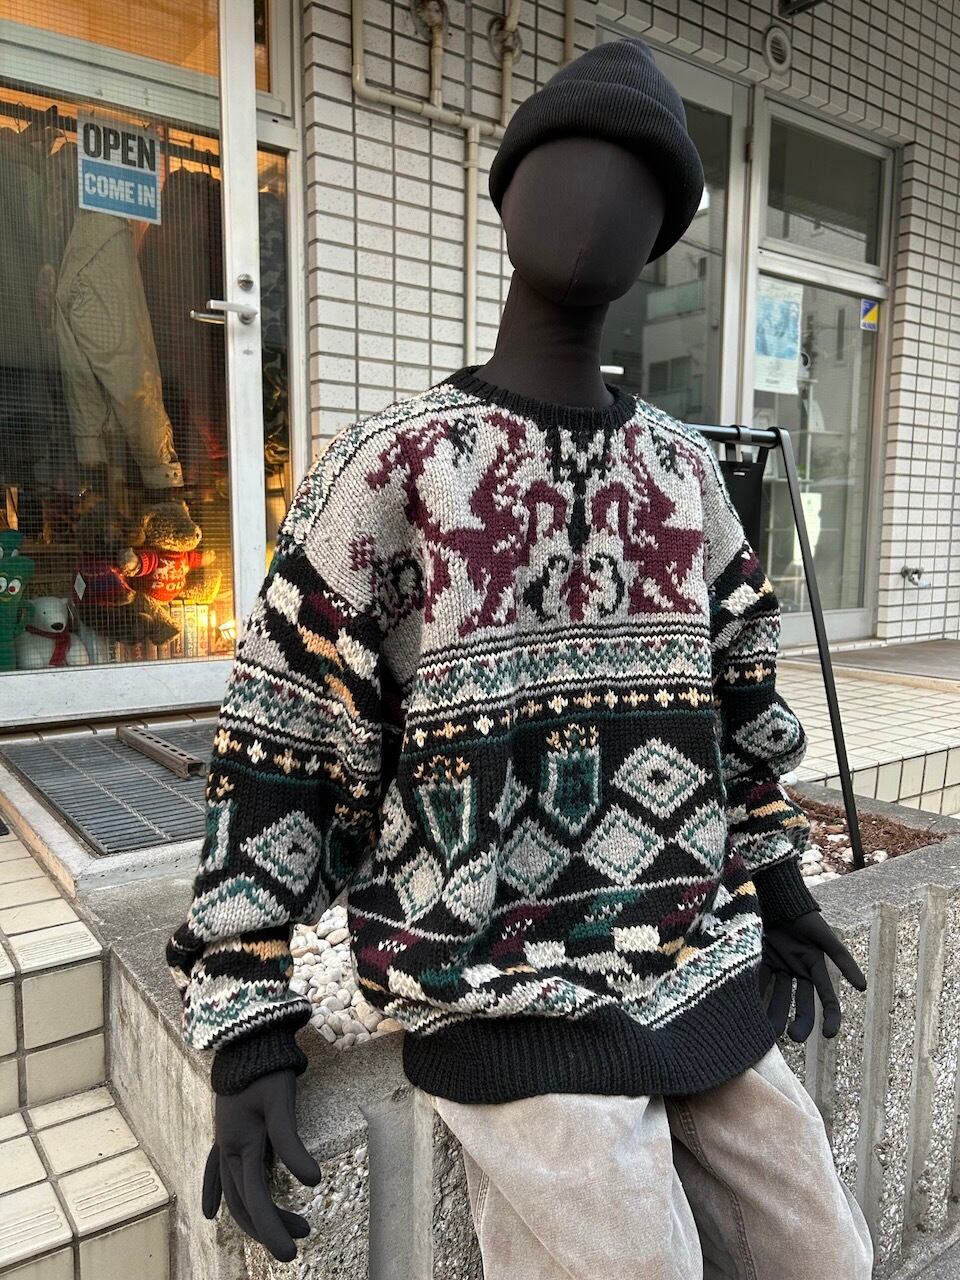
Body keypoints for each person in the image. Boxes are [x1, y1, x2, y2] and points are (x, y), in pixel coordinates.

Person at [167, 36, 873, 1277]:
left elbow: (741, 703)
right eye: (564, 161)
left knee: (828, 1253)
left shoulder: (687, 475)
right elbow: (284, 734)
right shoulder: (393, 468)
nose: (596, 200)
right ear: (505, 195)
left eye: (638, 184)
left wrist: (780, 882)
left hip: (691, 947)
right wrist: (247, 1005)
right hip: (491, 978)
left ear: (660, 241)